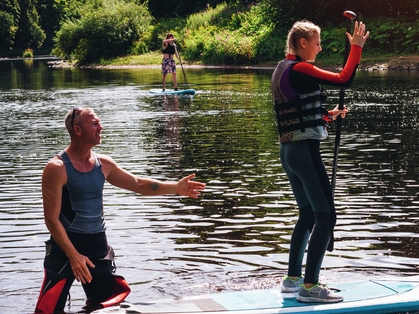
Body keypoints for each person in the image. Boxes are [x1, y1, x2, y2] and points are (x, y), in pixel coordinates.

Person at [35, 107, 206, 313]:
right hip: (65, 250)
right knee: (48, 311)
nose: (101, 127)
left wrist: (175, 188)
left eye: (99, 122)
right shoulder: (56, 168)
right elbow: (51, 219)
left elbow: (138, 184)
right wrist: (73, 256)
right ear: (78, 131)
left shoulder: (104, 164)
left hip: (97, 249)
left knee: (106, 309)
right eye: (95, 124)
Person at [271, 20, 369, 303]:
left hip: (288, 152)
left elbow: (297, 107)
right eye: (317, 42)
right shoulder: (301, 68)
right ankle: (311, 287)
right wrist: (356, 49)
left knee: (308, 214)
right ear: (303, 43)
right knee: (326, 216)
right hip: (304, 152)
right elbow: (343, 79)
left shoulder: (282, 68)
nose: (320, 47)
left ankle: (293, 280)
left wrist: (327, 115)